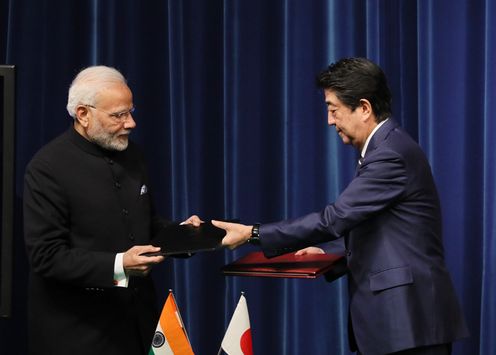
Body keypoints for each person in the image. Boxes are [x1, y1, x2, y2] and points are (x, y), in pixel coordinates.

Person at [213, 58, 469, 355]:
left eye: (333, 110)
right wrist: (330, 251)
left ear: (364, 108)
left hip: (409, 324)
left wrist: (251, 233)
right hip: (402, 327)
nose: (329, 121)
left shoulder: (389, 155)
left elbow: (333, 218)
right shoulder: (385, 148)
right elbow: (384, 229)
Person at [23, 65, 201, 355]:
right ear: (83, 114)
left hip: (137, 328)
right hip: (78, 334)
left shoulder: (133, 155)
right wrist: (120, 265)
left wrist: (187, 237)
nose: (130, 123)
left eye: (130, 112)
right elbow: (46, 256)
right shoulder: (47, 168)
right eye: (118, 115)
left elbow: (147, 226)